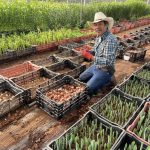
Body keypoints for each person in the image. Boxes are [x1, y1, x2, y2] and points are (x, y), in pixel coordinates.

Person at [79, 12, 118, 95]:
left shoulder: (110, 40)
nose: (97, 27)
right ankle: (100, 81)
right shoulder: (99, 36)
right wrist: (88, 52)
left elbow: (108, 61)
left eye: (100, 24)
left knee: (87, 89)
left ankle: (109, 78)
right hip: (96, 66)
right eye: (95, 25)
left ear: (105, 25)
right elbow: (95, 50)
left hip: (106, 70)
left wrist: (90, 57)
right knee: (81, 78)